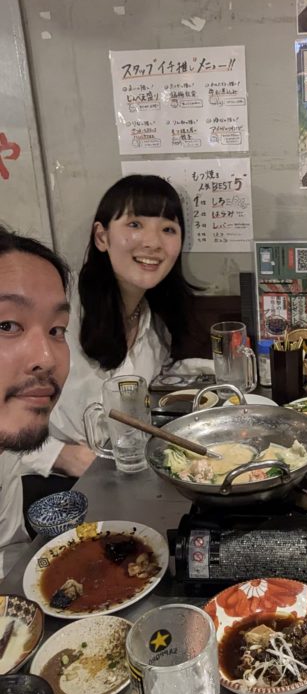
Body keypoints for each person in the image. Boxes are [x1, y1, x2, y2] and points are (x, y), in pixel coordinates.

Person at [23, 173, 205, 480]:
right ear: (101, 237)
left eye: (168, 229)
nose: (153, 242)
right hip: (39, 481)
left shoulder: (154, 325)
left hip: (112, 474)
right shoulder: (59, 307)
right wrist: (61, 456)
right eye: (135, 224)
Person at [0, 227, 70, 576]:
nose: (47, 358)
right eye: (7, 325)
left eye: (58, 330)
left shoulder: (6, 456)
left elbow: (9, 552)